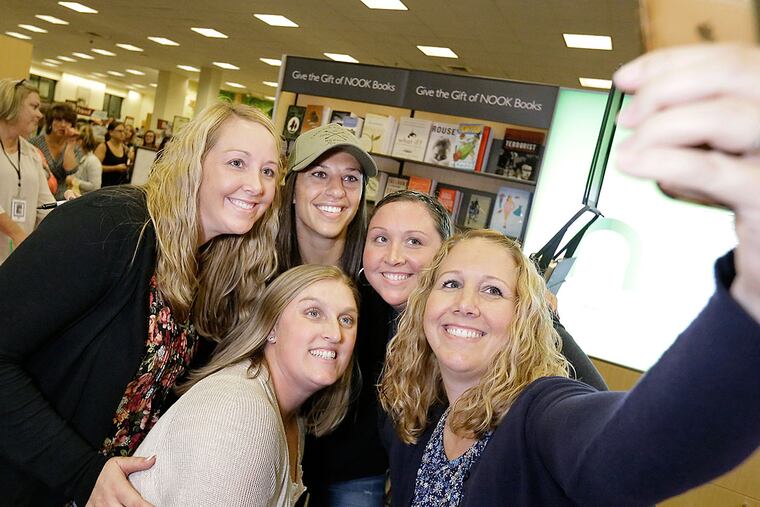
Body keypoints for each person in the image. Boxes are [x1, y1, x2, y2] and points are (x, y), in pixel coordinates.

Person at [379, 43, 760, 506]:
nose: (466, 304)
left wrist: (753, 289)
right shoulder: (423, 415)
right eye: (452, 283)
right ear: (424, 304)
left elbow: (635, 451)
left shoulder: (539, 413)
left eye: (494, 290)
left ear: (525, 318)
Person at [0, 101, 282, 506]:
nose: (256, 184)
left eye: (268, 171)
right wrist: (82, 473)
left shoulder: (210, 264)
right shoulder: (112, 226)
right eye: (237, 163)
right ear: (194, 164)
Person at [303, 190, 606, 506]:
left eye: (414, 242)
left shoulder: (531, 410)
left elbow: (594, 425)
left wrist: (547, 318)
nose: (393, 256)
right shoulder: (364, 311)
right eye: (380, 239)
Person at [129, 264, 359, 506]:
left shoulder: (291, 417)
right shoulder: (242, 411)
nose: (335, 334)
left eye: (346, 319)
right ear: (271, 327)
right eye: (313, 313)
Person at [277, 123, 377, 279]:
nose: (337, 191)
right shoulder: (256, 273)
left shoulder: (375, 281)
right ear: (293, 191)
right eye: (320, 174)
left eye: (350, 178)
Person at [0, 79, 55, 265]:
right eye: (34, 106)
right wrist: (16, 232)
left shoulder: (31, 153)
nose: (40, 115)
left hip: (17, 258)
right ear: (11, 105)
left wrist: (67, 213)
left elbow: (45, 205)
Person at [29, 102, 81, 200]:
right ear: (50, 122)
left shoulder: (74, 147)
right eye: (58, 119)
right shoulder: (34, 143)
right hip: (36, 195)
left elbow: (70, 170)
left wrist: (70, 145)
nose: (63, 124)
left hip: (60, 198)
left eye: (67, 121)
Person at [67, 123, 102, 195]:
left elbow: (95, 187)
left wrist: (73, 180)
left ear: (80, 141)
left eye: (75, 140)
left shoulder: (93, 161)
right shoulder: (79, 157)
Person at [95, 120, 130, 187]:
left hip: (119, 186)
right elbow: (95, 167)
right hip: (105, 185)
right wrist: (115, 168)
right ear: (111, 132)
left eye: (124, 131)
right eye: (120, 131)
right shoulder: (103, 147)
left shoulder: (125, 148)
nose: (123, 134)